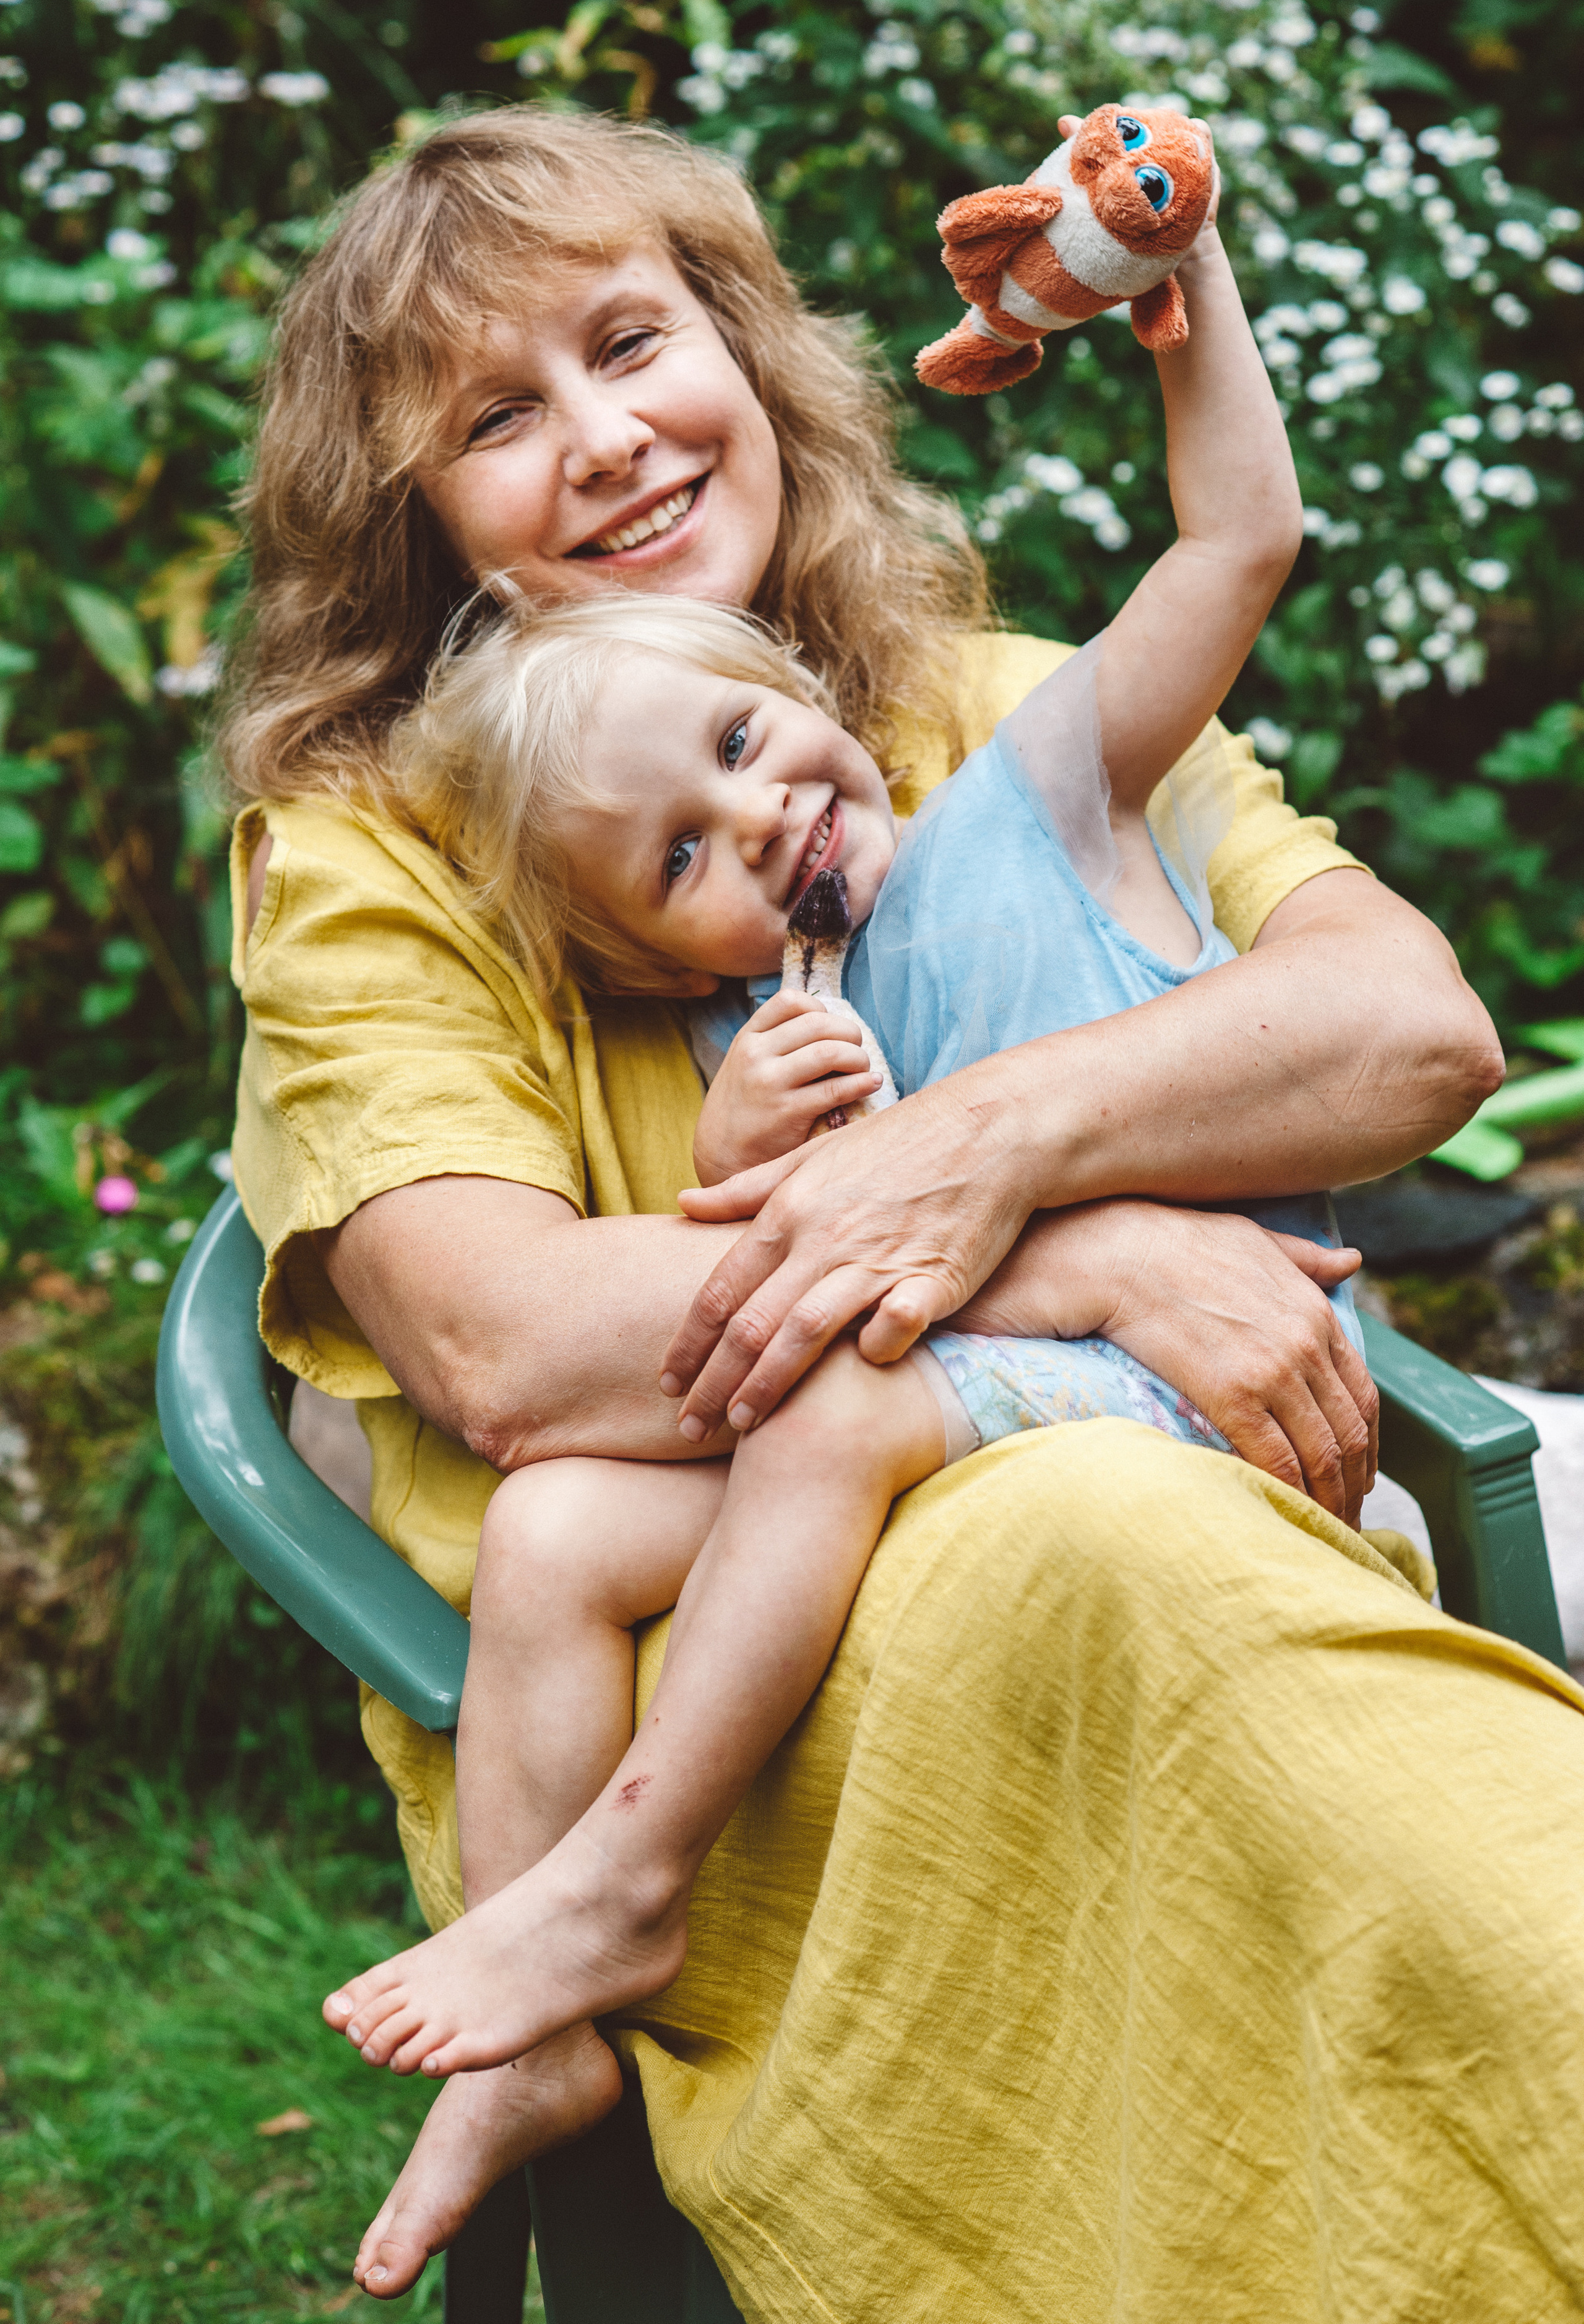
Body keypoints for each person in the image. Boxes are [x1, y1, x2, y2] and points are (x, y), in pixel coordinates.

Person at [221, 105, 1584, 2320]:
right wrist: (1095, 1247)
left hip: (1114, 1524)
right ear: (427, 530)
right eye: (493, 416)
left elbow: (1405, 1032)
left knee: (1357, 1790)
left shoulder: (984, 711)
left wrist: (997, 1142)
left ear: (744, 357)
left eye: (632, 343)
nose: (604, 441)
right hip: (712, 1703)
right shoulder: (387, 844)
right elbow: (503, 1342)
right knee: (1176, 1619)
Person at [319, 183, 1379, 2081]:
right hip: (928, 1511)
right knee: (559, 1528)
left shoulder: (1023, 774)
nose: (756, 834)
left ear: (802, 689)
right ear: (637, 955)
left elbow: (1244, 546)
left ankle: (619, 1879)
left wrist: (1192, 280)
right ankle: (536, 2019)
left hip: (1144, 1440)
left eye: (631, 344)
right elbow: (620, 1305)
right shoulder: (756, 992)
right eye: (678, 865)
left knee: (829, 1396)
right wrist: (823, 1155)